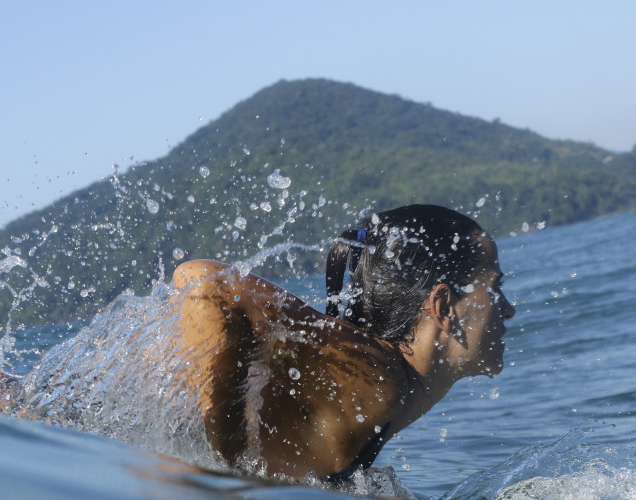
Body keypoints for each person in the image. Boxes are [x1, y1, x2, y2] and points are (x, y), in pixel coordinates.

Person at [170, 204, 515, 481]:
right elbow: (206, 281)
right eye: (495, 289)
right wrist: (225, 468)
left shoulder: (386, 389)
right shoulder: (376, 380)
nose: (509, 309)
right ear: (443, 307)